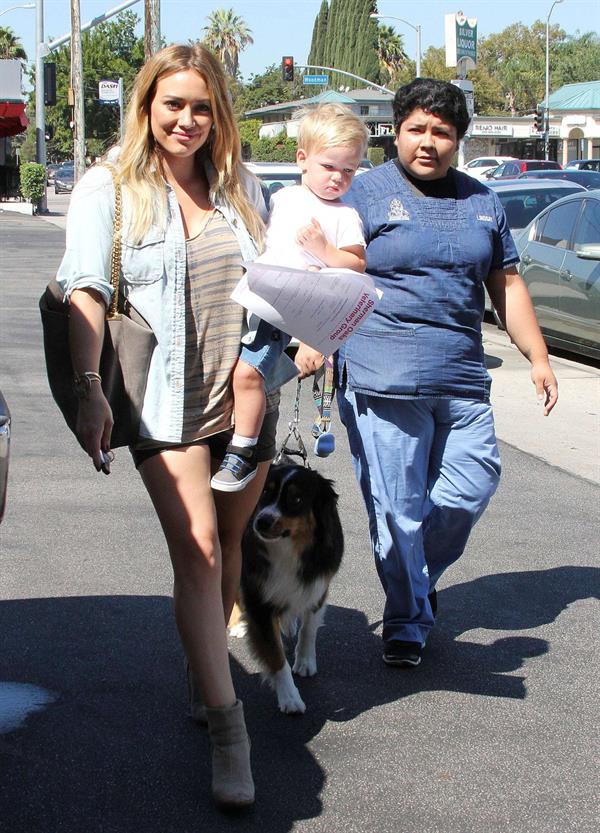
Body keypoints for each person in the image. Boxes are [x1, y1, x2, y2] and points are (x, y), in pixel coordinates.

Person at [55, 44, 275, 808]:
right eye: (173, 103)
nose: (187, 120)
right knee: (201, 546)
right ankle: (227, 725)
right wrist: (91, 387)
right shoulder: (110, 188)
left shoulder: (241, 184)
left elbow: (273, 281)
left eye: (202, 106)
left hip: (244, 394)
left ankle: (202, 661)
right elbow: (86, 291)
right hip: (163, 398)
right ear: (147, 103)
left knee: (232, 547)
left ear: (219, 113)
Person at [296, 78, 558, 668]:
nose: (428, 142)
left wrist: (537, 356)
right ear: (397, 132)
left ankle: (413, 576)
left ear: (459, 138)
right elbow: (314, 266)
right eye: (416, 128)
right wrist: (311, 338)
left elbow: (507, 283)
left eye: (442, 132)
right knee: (396, 506)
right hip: (380, 377)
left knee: (471, 486)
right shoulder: (362, 194)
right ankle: (408, 619)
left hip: (463, 377)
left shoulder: (483, 201)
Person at [210, 104, 369, 492]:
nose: (338, 178)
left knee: (248, 374)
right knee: (229, 373)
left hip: (285, 310)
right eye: (329, 166)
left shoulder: (344, 214)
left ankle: (243, 450)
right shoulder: (282, 198)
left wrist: (325, 252)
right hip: (251, 296)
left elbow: (357, 263)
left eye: (348, 171)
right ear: (302, 159)